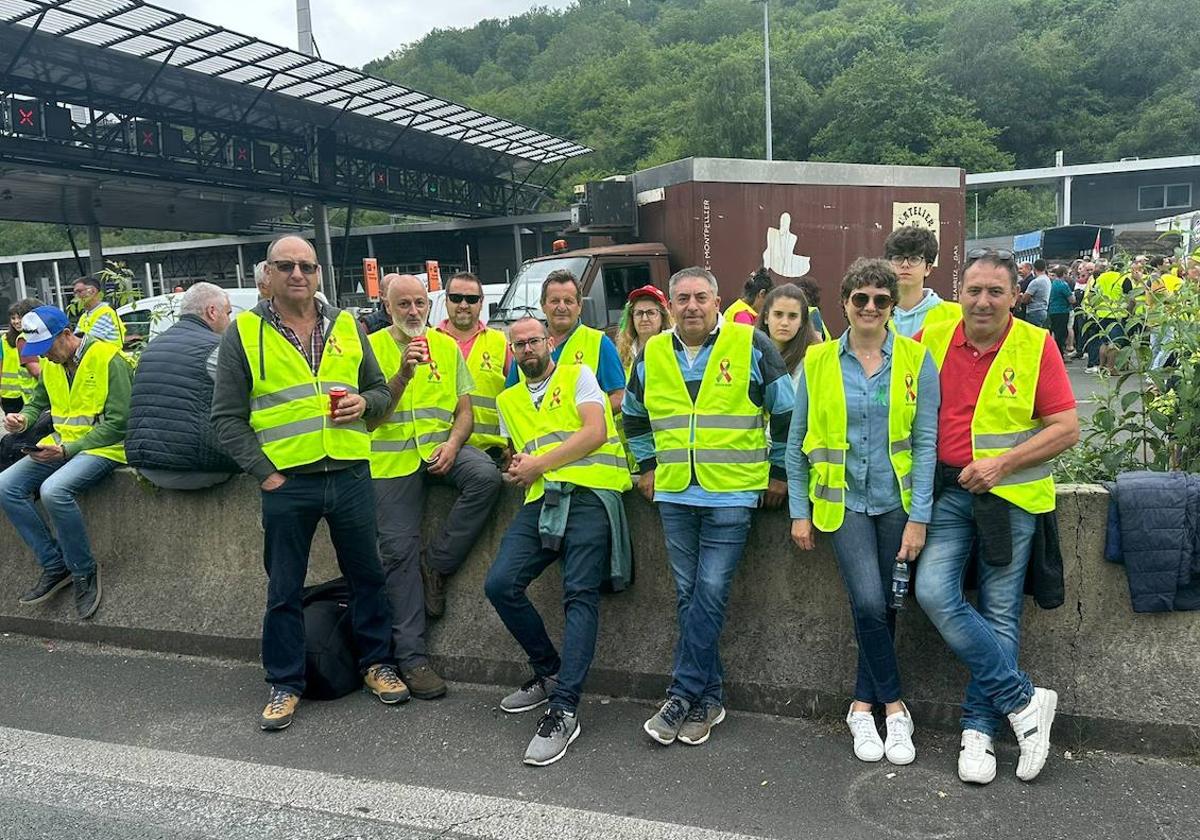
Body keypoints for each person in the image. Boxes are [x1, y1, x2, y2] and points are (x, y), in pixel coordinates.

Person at [211, 234, 408, 732]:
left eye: (307, 266)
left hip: (349, 474)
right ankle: (285, 681)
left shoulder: (347, 324)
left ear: (319, 274)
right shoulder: (245, 332)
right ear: (268, 275)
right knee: (283, 587)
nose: (298, 274)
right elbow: (225, 419)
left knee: (367, 576)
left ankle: (376, 664)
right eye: (287, 266)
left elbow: (380, 392)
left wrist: (365, 405)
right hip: (288, 482)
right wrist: (265, 473)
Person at [914, 249, 1079, 785]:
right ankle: (1025, 701)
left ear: (1015, 296)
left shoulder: (1037, 345)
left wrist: (1002, 464)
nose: (982, 301)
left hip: (1011, 499)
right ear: (959, 292)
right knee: (934, 592)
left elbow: (1066, 428)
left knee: (1001, 610)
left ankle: (979, 730)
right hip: (950, 493)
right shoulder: (934, 337)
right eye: (973, 290)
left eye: (995, 292)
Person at [623, 267, 792, 748]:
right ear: (670, 305)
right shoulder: (652, 352)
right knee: (687, 594)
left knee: (711, 590)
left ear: (718, 301)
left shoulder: (751, 344)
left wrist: (778, 473)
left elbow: (785, 411)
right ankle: (709, 698)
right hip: (675, 491)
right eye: (682, 298)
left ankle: (680, 693)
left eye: (700, 297)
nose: (691, 306)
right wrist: (647, 466)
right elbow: (634, 417)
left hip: (732, 491)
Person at [788, 258, 939, 765]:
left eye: (881, 299)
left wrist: (919, 516)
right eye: (861, 298)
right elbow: (795, 444)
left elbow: (925, 443)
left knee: (889, 606)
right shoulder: (817, 362)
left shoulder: (918, 361)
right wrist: (798, 511)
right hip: (843, 502)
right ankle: (894, 707)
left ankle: (860, 705)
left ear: (892, 306)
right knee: (872, 603)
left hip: (897, 503)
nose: (870, 307)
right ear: (844, 303)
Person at [485, 316, 631, 766]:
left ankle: (565, 707)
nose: (527, 349)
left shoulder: (577, 375)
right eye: (519, 345)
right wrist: (517, 470)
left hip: (589, 494)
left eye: (534, 341)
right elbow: (520, 456)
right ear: (513, 352)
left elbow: (596, 432)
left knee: (579, 594)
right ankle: (548, 671)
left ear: (549, 342)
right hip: (542, 499)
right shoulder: (507, 398)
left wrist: (538, 464)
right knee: (500, 584)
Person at [369, 274, 502, 700]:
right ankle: (411, 657)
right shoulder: (368, 349)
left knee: (485, 476)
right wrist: (402, 374)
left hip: (438, 448)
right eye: (403, 304)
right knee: (396, 550)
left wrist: (453, 443)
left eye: (419, 304)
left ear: (430, 306)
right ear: (388, 307)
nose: (412, 312)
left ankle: (438, 564)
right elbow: (367, 418)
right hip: (390, 462)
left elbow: (465, 412)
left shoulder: (445, 346)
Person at [0, 305, 133, 620]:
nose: (43, 356)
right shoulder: (52, 364)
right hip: (62, 447)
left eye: (46, 348)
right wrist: (24, 420)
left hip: (106, 447)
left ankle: (83, 570)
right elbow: (38, 402)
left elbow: (120, 423)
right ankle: (54, 565)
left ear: (66, 335)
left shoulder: (108, 359)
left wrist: (69, 449)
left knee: (54, 491)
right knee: (5, 485)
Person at [126, 283, 239, 490]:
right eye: (228, 313)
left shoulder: (151, 347)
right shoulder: (216, 348)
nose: (229, 321)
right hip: (199, 468)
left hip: (148, 466)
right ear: (212, 312)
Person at [504, 269, 625, 413]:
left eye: (568, 301)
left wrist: (583, 419)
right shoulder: (525, 346)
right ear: (543, 305)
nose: (561, 307)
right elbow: (511, 398)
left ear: (579, 306)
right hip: (538, 434)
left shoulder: (600, 343)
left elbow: (619, 397)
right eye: (555, 301)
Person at [436, 271, 512, 461]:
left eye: (471, 299)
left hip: (491, 452)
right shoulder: (429, 343)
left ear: (481, 302)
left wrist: (513, 444)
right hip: (438, 450)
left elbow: (517, 397)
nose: (463, 305)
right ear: (446, 301)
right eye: (456, 298)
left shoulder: (500, 342)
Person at [885, 226, 960, 336]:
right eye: (898, 258)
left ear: (928, 268)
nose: (905, 265)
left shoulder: (955, 314)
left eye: (914, 259)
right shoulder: (876, 312)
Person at [755, 283, 818, 384]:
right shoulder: (751, 354)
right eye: (778, 314)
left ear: (802, 321)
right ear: (766, 318)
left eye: (792, 316)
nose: (784, 323)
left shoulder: (812, 361)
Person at [616, 284, 673, 375]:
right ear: (632, 318)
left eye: (651, 313)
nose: (644, 318)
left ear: (663, 317)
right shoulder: (621, 354)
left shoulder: (675, 349)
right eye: (639, 313)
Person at [1, 298, 42, 414]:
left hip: (31, 393)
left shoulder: (34, 337)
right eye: (13, 318)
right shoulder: (4, 340)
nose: (16, 321)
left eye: (19, 317)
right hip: (10, 395)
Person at [72, 274, 126, 346]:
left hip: (109, 357)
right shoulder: (84, 316)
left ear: (93, 291)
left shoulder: (106, 313)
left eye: (79, 291)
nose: (76, 296)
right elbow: (75, 341)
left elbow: (86, 343)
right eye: (75, 293)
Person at [1046, 266, 1073, 356]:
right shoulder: (1063, 284)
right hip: (1062, 311)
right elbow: (1072, 300)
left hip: (1052, 310)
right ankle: (1059, 354)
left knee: (1055, 332)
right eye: (1067, 274)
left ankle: (1056, 352)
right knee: (1061, 334)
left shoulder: (1053, 283)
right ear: (1064, 274)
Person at [1019, 259, 1051, 329]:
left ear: (1034, 268)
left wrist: (1021, 295)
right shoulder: (1047, 279)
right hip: (1043, 310)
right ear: (1045, 268)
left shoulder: (1036, 282)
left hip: (1033, 312)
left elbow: (1025, 299)